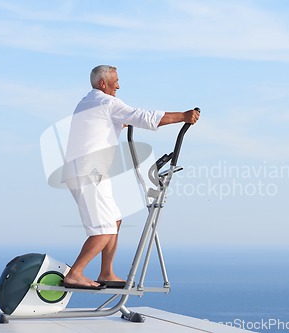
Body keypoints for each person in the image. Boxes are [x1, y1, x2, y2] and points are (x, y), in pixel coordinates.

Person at [61, 65, 199, 288]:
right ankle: (75, 273)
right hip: (90, 172)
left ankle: (106, 273)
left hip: (86, 171)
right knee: (104, 229)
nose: (118, 85)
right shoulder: (106, 102)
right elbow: (143, 117)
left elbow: (100, 125)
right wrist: (182, 116)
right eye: (115, 81)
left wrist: (121, 122)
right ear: (103, 84)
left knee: (114, 220)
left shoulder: (87, 102)